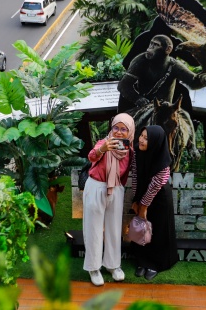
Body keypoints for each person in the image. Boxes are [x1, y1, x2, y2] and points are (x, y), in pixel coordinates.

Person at [83, 113, 135, 286]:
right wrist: (102, 149)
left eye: (123, 129)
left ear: (130, 132)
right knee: (93, 228)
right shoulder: (103, 143)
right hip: (97, 186)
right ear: (111, 128)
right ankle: (93, 267)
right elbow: (91, 157)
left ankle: (113, 265)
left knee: (114, 228)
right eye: (116, 128)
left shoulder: (130, 151)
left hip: (117, 188)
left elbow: (128, 171)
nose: (119, 132)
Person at [117, 35, 206, 112]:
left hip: (165, 109)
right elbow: (123, 85)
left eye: (155, 45)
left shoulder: (174, 65)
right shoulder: (140, 60)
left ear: (168, 49)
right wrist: (138, 99)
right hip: (143, 108)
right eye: (151, 44)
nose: (150, 48)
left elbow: (193, 82)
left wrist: (205, 79)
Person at [130, 125, 178, 281]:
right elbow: (135, 176)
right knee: (142, 228)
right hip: (143, 191)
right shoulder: (137, 151)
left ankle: (156, 264)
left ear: (156, 142)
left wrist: (144, 206)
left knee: (158, 229)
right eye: (141, 136)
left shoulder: (163, 159)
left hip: (159, 197)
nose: (141, 140)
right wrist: (136, 200)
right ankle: (142, 261)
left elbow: (156, 185)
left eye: (146, 138)